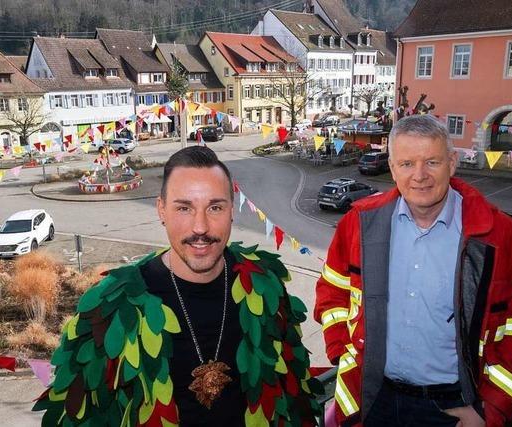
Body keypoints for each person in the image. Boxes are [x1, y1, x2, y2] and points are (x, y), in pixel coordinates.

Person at [34, 146, 321, 426]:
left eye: (215, 207)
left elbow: (294, 400)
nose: (200, 227)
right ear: (161, 209)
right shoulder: (111, 306)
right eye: (184, 208)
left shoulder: (265, 287)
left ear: (232, 209)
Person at [314, 114, 512, 427]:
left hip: (453, 407)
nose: (419, 176)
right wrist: (344, 352)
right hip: (371, 400)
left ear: (452, 162)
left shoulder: (502, 238)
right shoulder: (359, 223)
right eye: (407, 163)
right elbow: (332, 292)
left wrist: (489, 409)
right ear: (393, 167)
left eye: (432, 162)